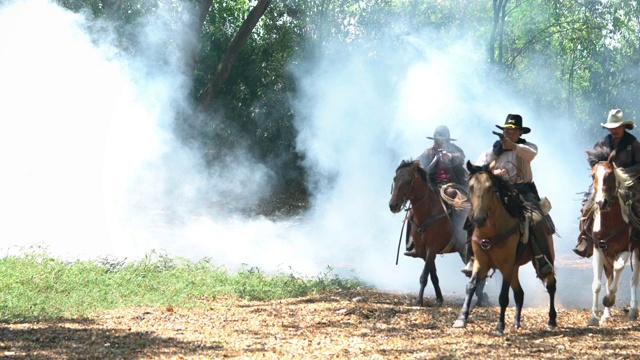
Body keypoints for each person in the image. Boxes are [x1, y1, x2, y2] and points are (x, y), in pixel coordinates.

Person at [462, 114, 554, 278]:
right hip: (500, 191)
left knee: (538, 220)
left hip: (524, 191)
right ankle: (472, 257)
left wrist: (512, 146)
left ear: (520, 133)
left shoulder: (527, 147)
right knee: (473, 217)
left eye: (513, 131)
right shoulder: (493, 150)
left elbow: (530, 154)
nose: (509, 133)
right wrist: (494, 173)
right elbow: (478, 170)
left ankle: (543, 261)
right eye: (507, 130)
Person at [573, 109, 640, 257]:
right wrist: (603, 171)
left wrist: (623, 171)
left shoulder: (633, 143)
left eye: (617, 127)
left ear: (623, 127)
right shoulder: (603, 142)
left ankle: (637, 239)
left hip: (629, 181)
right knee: (587, 206)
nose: (614, 130)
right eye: (612, 127)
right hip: (605, 182)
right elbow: (593, 160)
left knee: (638, 204)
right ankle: (586, 239)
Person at [404, 125, 469, 257]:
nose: (437, 141)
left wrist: (449, 157)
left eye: (440, 139)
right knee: (412, 210)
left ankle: (462, 237)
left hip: (453, 185)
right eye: (436, 139)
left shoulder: (455, 151)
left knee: (458, 202)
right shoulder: (429, 152)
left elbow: (460, 158)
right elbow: (419, 163)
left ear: (447, 140)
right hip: (433, 187)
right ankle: (413, 244)